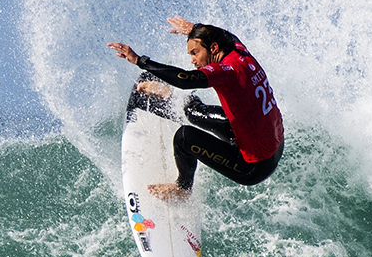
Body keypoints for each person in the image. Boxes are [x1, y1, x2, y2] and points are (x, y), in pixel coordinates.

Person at [108, 17, 284, 201]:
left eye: (195, 52)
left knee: (184, 138)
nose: (193, 60)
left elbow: (186, 79)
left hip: (254, 166)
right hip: (274, 142)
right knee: (195, 113)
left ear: (214, 48)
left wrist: (139, 60)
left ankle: (182, 189)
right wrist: (197, 29)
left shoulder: (227, 71)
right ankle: (170, 96)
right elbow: (229, 36)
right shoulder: (240, 52)